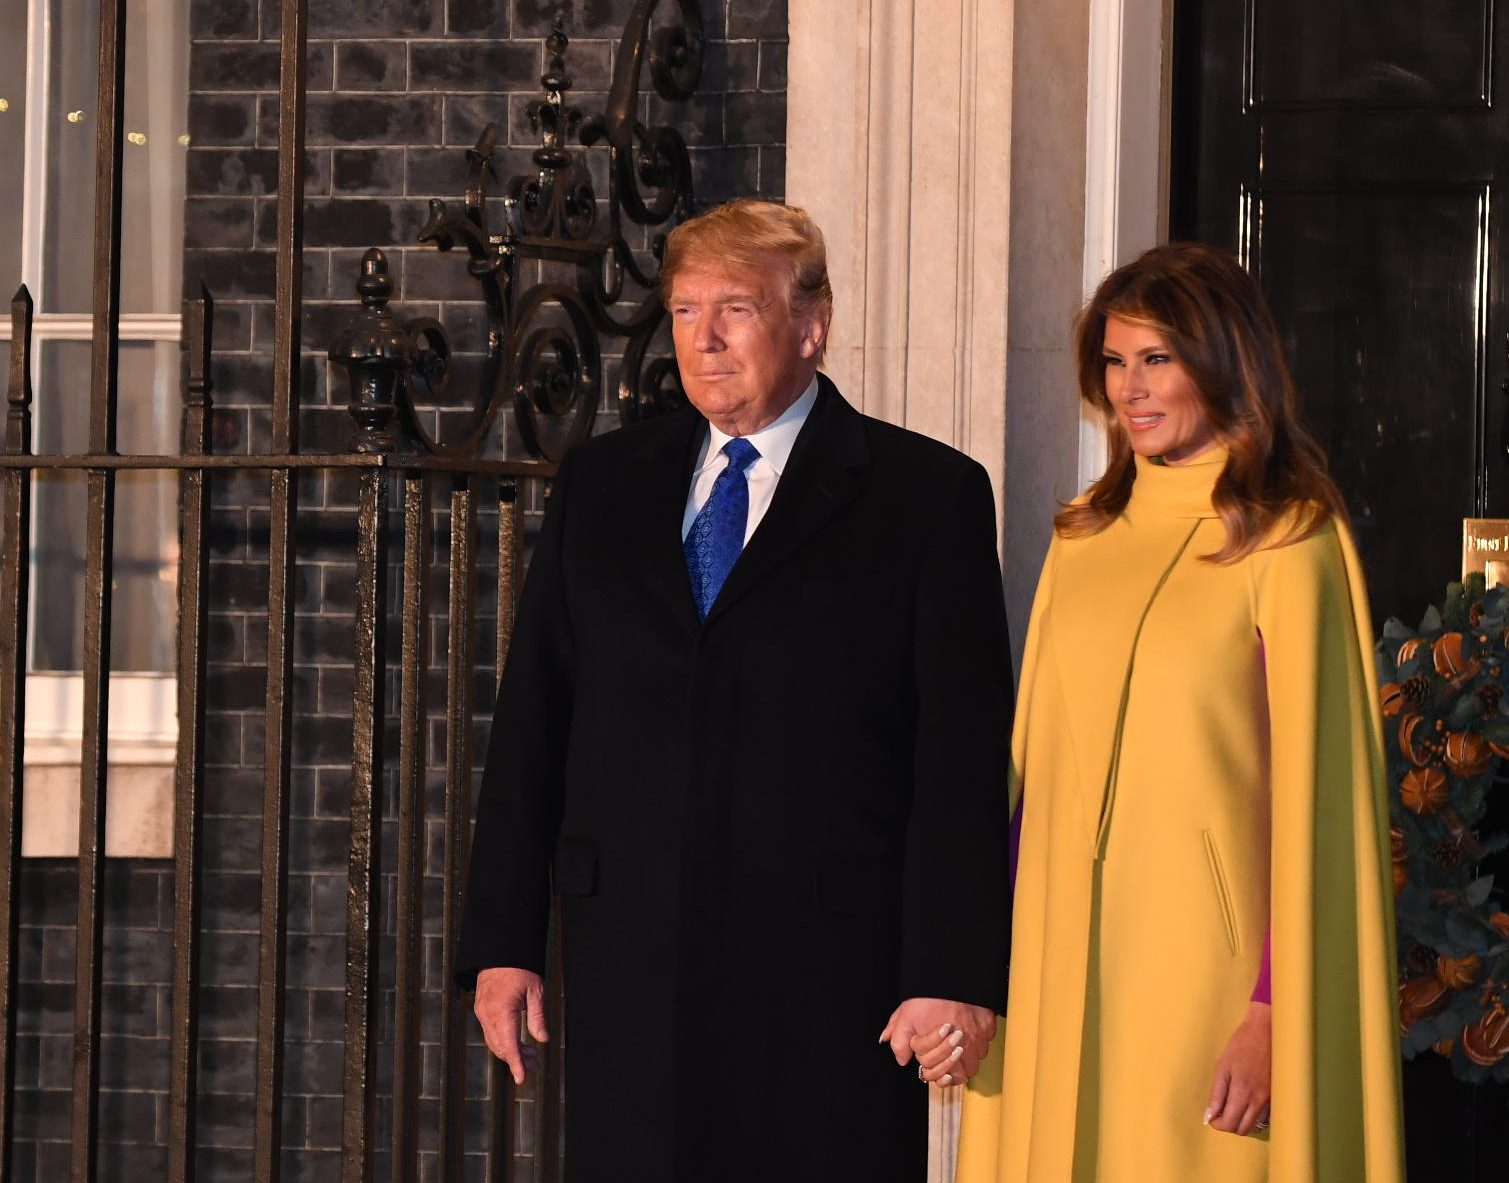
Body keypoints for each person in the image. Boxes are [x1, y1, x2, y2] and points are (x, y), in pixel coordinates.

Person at [454, 200, 1014, 1180]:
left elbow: (959, 760)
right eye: (684, 310)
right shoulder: (601, 483)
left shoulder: (926, 497)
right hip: (629, 959)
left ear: (811, 324)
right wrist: (504, 944)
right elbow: (534, 724)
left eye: (736, 310)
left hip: (828, 980)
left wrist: (953, 973)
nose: (703, 339)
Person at [957, 242, 1405, 1182]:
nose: (1130, 388)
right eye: (1115, 362)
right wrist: (976, 968)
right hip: (1056, 961)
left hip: (1207, 980)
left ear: (1224, 359)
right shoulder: (1083, 534)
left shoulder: (1289, 541)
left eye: (1157, 358)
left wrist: (1276, 1011)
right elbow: (1028, 785)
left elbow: (1319, 807)